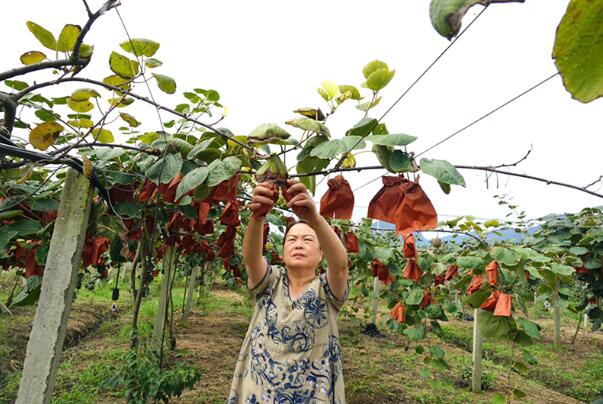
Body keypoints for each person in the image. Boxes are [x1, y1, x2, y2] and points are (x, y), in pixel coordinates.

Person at [228, 179, 349, 403]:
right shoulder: (270, 282)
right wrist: (258, 217)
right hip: (260, 393)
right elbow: (252, 259)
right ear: (283, 253)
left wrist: (313, 218)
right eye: (292, 240)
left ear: (321, 254)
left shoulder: (327, 290)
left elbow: (340, 265)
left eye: (308, 239)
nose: (299, 244)